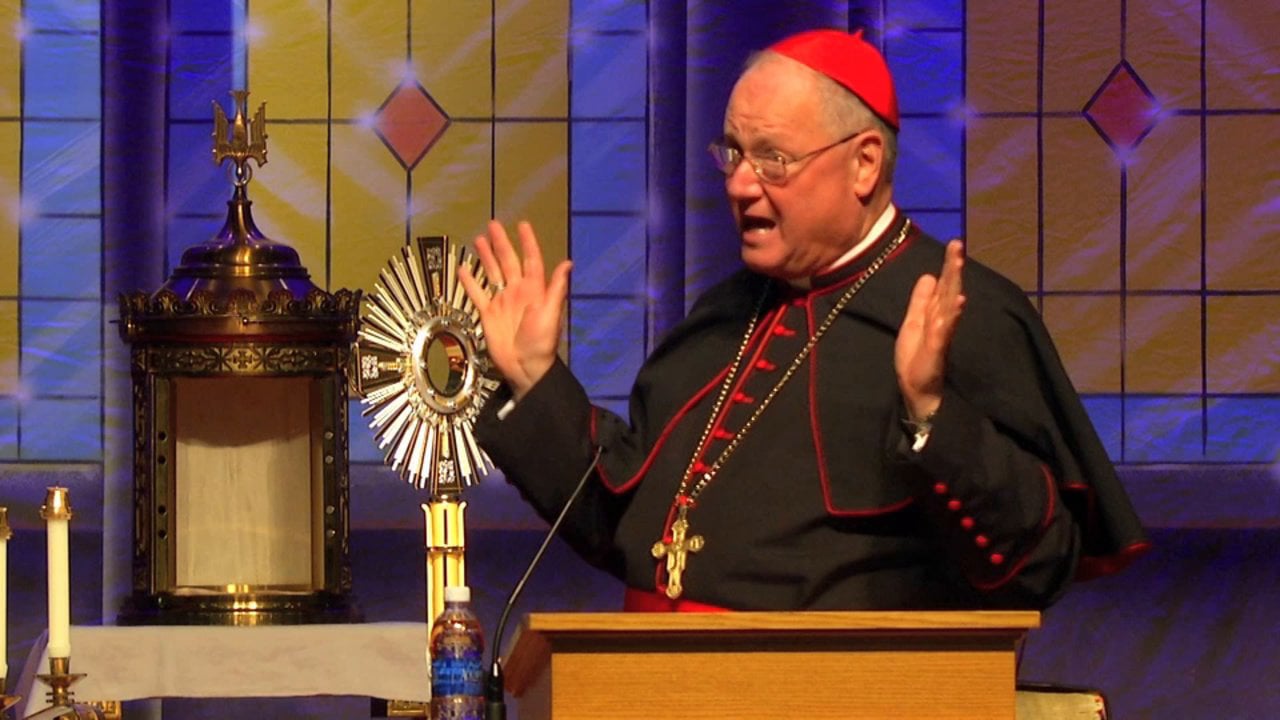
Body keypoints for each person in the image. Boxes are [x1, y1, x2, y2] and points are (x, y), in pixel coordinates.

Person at [459, 28, 1148, 612]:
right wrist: (536, 379)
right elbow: (623, 521)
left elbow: (1041, 562)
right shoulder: (723, 313)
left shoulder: (964, 313)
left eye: (772, 159)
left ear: (864, 165)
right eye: (733, 152)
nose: (738, 183)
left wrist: (932, 415)